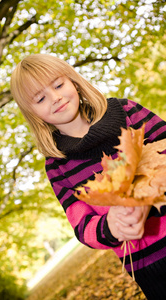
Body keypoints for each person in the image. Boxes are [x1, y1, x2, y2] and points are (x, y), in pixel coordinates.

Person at [10, 53, 166, 300]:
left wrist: (145, 193)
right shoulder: (57, 166)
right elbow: (82, 226)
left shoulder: (126, 111)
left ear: (73, 81)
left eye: (59, 85)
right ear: (33, 114)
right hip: (150, 266)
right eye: (40, 98)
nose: (56, 97)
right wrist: (111, 227)